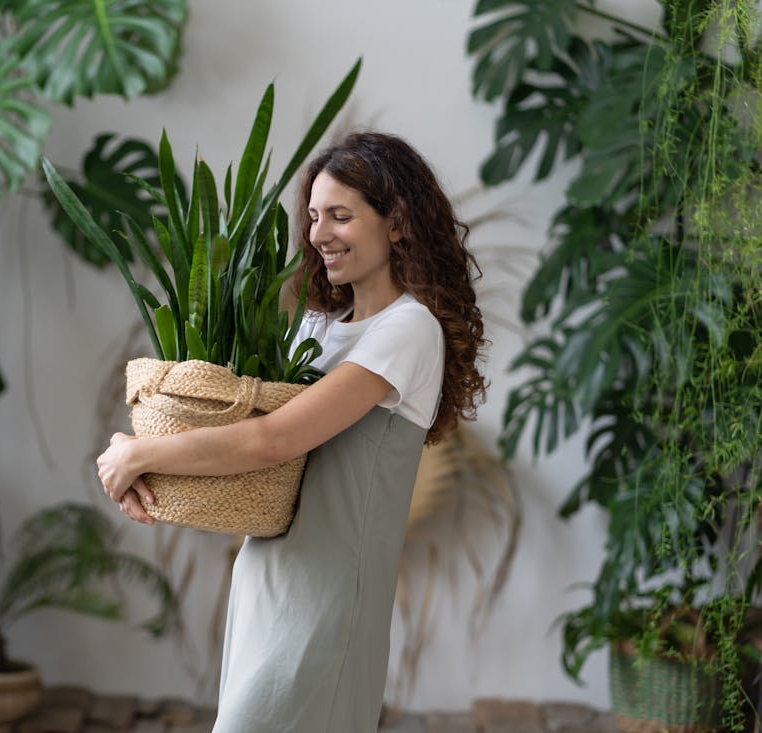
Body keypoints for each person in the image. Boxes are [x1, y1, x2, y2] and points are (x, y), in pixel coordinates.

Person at [96, 131, 487, 732]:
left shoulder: (409, 330)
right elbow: (240, 431)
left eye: (340, 215)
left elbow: (273, 440)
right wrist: (145, 457)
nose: (319, 234)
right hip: (267, 582)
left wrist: (143, 452)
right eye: (312, 216)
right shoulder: (318, 326)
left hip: (327, 604)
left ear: (398, 221)